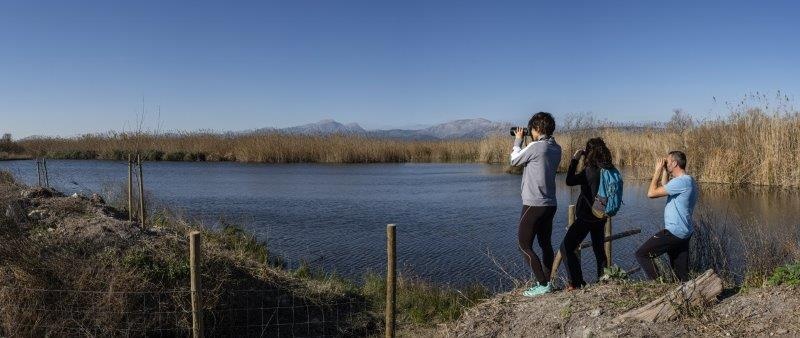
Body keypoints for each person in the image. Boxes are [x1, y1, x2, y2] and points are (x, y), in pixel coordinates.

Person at [510, 112, 562, 297]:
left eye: (531, 129)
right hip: (550, 204)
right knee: (545, 243)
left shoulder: (536, 147)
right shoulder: (556, 147)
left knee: (523, 245)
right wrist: (527, 143)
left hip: (534, 203)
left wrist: (517, 141)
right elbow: (534, 160)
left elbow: (515, 160)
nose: (529, 132)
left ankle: (542, 284)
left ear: (538, 128)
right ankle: (549, 282)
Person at [636, 151, 698, 282]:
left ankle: (659, 284)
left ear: (675, 163)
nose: (666, 163)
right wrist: (665, 171)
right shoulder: (688, 180)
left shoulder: (681, 182)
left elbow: (651, 193)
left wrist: (657, 171)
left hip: (673, 232)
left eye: (668, 162)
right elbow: (666, 187)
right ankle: (685, 295)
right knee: (681, 275)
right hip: (684, 232)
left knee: (642, 254)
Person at [560, 138, 614, 289]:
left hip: (586, 216)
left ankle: (576, 282)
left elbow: (569, 181)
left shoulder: (590, 171)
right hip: (601, 215)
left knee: (566, 246)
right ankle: (604, 280)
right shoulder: (608, 169)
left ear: (588, 153)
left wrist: (574, 160)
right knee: (599, 248)